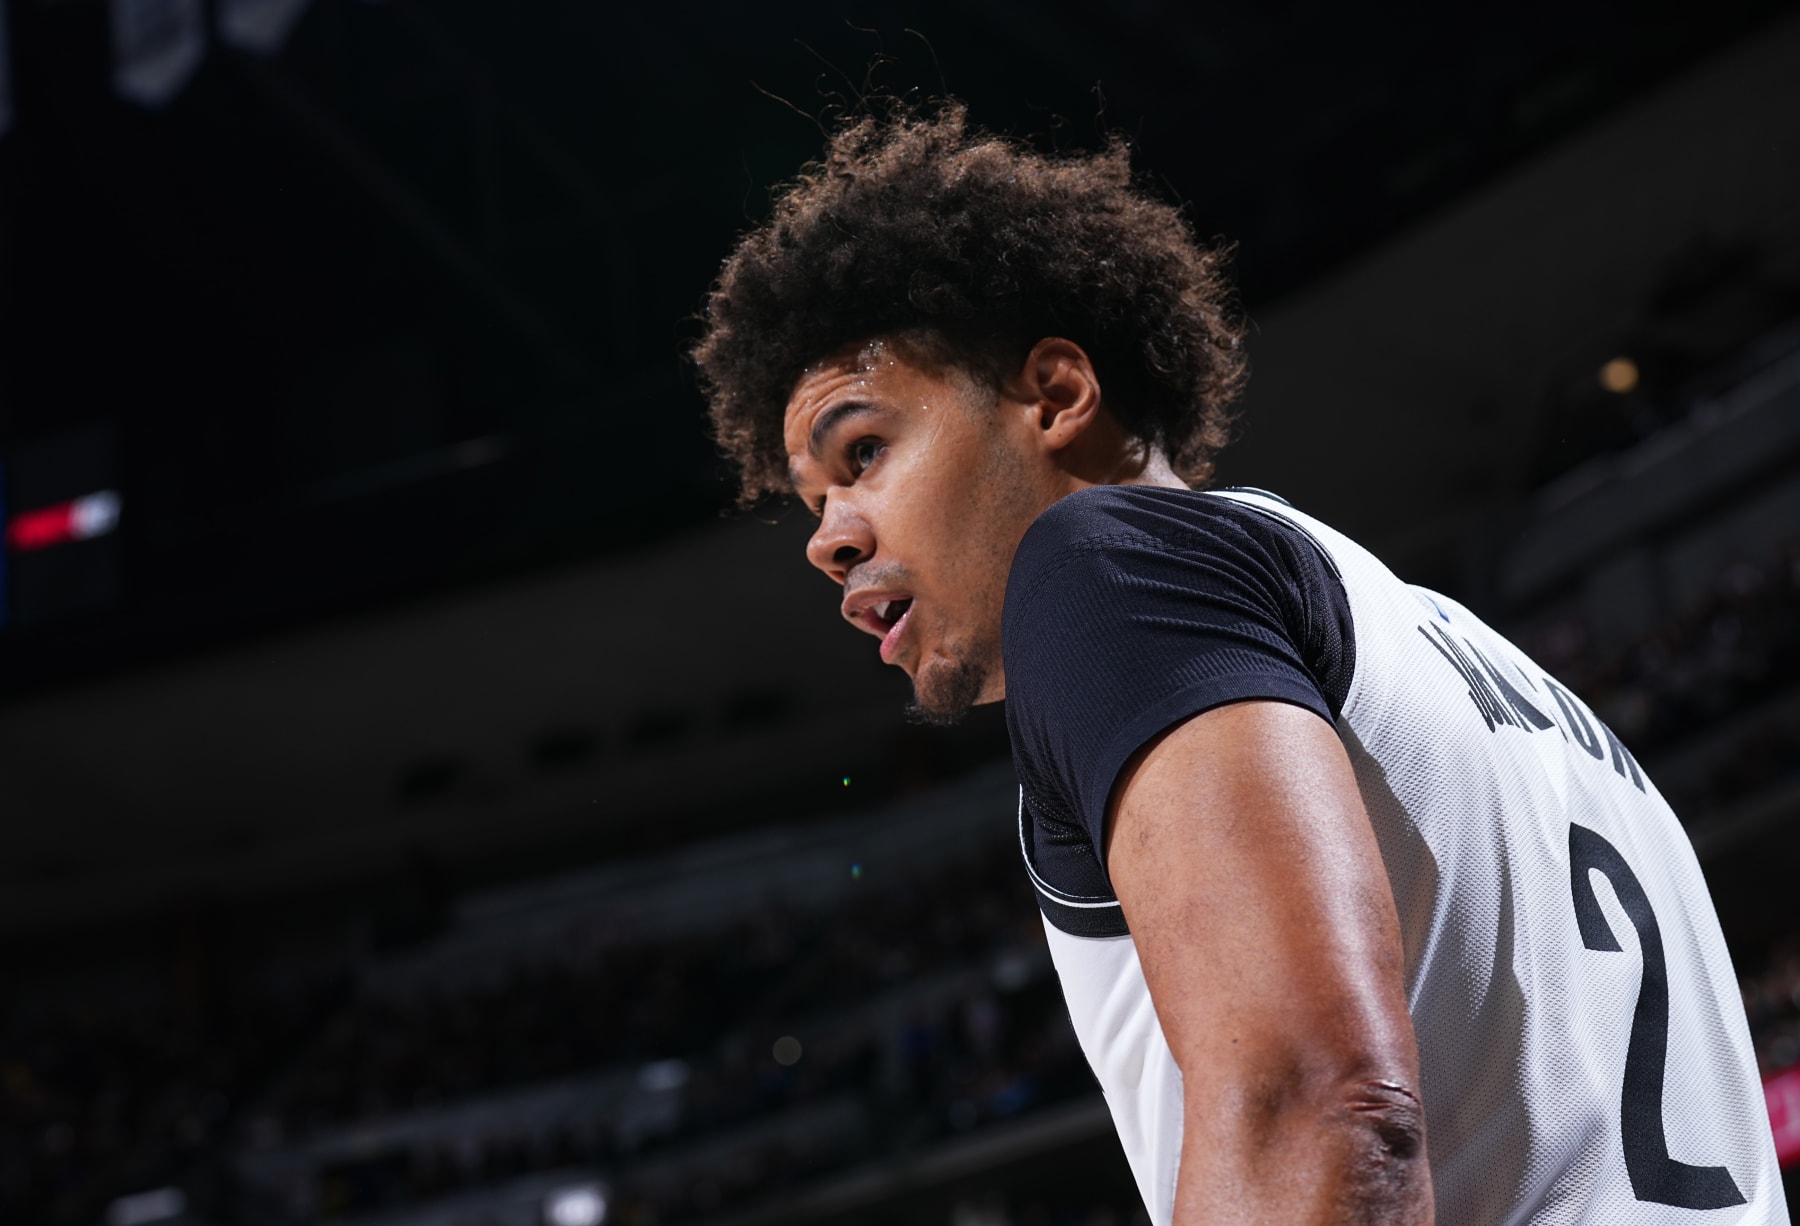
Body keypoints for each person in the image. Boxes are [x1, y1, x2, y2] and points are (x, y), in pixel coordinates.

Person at [692, 105, 1786, 1225]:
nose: (830, 536)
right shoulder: (1490, 666)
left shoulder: (1099, 566)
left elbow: (1318, 1107)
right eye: (816, 501)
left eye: (863, 450)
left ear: (1057, 394)